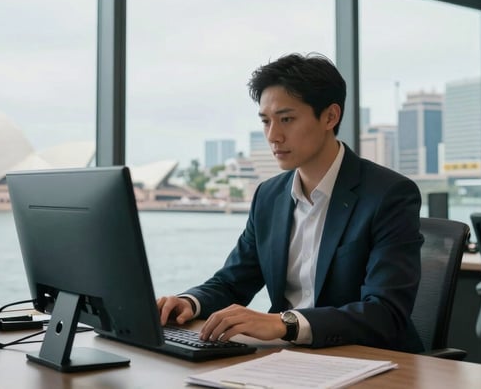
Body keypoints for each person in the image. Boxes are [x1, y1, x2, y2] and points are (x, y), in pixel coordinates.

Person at [157, 52, 424, 352]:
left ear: (330, 116)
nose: (273, 136)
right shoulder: (268, 196)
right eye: (266, 121)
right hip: (289, 359)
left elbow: (385, 313)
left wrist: (286, 323)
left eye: (286, 119)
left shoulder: (389, 194)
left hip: (370, 361)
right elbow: (233, 282)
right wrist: (188, 303)